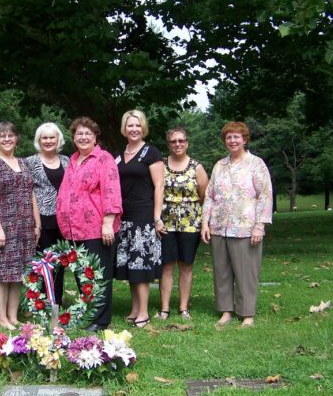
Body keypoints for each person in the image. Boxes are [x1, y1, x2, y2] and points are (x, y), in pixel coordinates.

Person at [201, 121, 272, 328]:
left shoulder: (255, 164)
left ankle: (247, 314)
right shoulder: (219, 165)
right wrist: (205, 222)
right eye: (229, 137)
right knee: (221, 271)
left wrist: (260, 226)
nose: (232, 140)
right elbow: (210, 196)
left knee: (246, 272)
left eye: (236, 137)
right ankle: (226, 311)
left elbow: (265, 196)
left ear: (244, 139)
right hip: (218, 226)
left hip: (245, 228)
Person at [57, 116, 122, 332]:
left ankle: (101, 320)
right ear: (73, 138)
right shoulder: (72, 160)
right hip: (73, 230)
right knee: (81, 273)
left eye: (88, 134)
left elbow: (112, 190)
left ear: (95, 137)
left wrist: (108, 223)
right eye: (79, 134)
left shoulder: (104, 159)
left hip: (96, 228)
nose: (83, 137)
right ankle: (90, 312)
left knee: (98, 274)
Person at [0, 121, 40, 331]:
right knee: (1, 275)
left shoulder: (23, 163)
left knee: (18, 274)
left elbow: (31, 193)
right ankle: (1, 318)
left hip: (24, 226)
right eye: (2, 136)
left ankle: (13, 316)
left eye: (10, 135)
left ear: (16, 138)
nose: (6, 139)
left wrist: (37, 223)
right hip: (2, 228)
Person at [114, 110, 165, 328]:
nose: (133, 129)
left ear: (143, 127)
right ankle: (135, 309)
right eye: (129, 125)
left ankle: (144, 312)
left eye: (137, 125)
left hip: (143, 216)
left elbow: (160, 185)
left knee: (141, 265)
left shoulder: (150, 152)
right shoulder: (119, 154)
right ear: (124, 129)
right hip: (124, 217)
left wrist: (156, 217)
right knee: (129, 265)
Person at [158, 127, 208, 321]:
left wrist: (199, 216)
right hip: (166, 223)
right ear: (168, 144)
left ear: (187, 143)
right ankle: (164, 308)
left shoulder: (197, 167)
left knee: (186, 265)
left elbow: (204, 194)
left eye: (181, 141)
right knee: (167, 266)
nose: (177, 144)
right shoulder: (160, 164)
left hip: (191, 224)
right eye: (173, 141)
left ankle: (183, 307)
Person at [25, 122, 69, 305]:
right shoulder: (29, 162)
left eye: (52, 137)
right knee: (40, 261)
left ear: (58, 139)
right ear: (39, 140)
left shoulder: (68, 161)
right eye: (45, 137)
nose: (49, 141)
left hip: (63, 220)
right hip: (41, 218)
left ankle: (56, 301)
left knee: (60, 261)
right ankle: (37, 301)